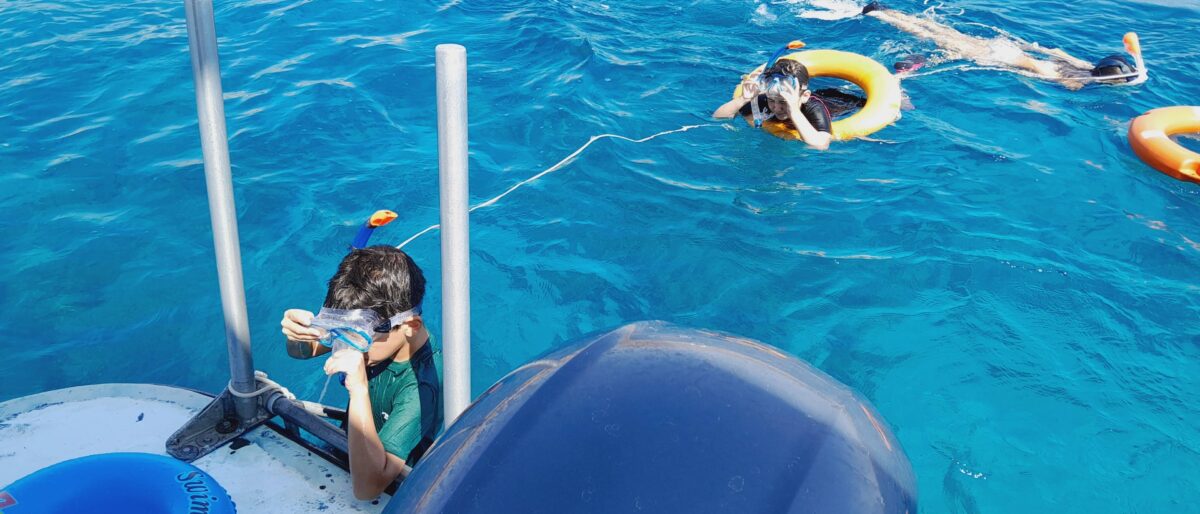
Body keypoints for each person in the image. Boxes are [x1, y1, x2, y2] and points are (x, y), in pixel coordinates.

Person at [279, 245, 442, 500]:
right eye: (340, 331)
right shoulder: (378, 337)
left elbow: (368, 489)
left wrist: (359, 389)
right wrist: (296, 334)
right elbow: (301, 351)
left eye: (357, 337)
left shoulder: (422, 387)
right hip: (350, 446)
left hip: (390, 485)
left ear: (409, 326)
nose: (346, 346)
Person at [861, 2, 1141, 90]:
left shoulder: (1083, 65)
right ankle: (881, 14)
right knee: (935, 38)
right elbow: (1036, 67)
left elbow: (1053, 51)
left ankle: (887, 10)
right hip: (1000, 55)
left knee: (942, 31)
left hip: (1006, 47)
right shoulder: (1076, 81)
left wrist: (1025, 48)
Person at [712, 58, 842, 150]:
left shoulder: (814, 107)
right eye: (772, 100)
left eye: (783, 102)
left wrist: (794, 111)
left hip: (840, 103)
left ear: (804, 97)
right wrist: (743, 99)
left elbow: (821, 145)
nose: (776, 107)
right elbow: (718, 117)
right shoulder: (764, 101)